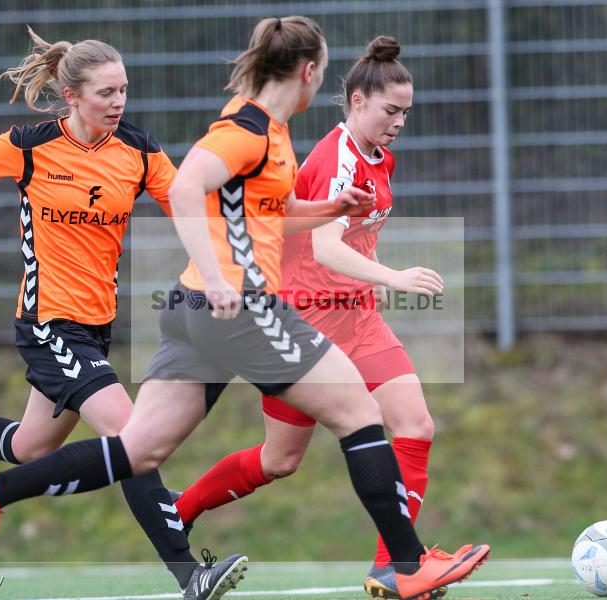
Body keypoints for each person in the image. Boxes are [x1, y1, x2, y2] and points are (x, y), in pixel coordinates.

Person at [0, 16, 489, 600]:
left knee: (139, 449)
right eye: (323, 73)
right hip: (234, 307)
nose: (320, 84)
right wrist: (216, 275)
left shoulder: (273, 133)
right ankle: (407, 568)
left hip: (193, 310)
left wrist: (332, 208)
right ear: (308, 72)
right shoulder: (248, 129)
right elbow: (187, 189)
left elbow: (266, 216)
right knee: (359, 413)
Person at [0, 27, 246, 600]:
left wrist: (250, 241)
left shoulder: (137, 151)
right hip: (47, 322)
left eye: (124, 91)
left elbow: (190, 207)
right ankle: (190, 574)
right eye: (106, 93)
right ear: (72, 98)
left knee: (31, 446)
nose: (118, 103)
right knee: (132, 435)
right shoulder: (30, 146)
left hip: (95, 325)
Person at [168, 35, 471, 599]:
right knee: (279, 460)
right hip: (307, 322)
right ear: (357, 101)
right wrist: (395, 278)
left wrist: (370, 280)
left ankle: (394, 568)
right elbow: (328, 248)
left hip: (357, 319)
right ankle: (176, 513)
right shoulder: (337, 157)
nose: (399, 121)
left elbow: (358, 234)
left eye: (406, 112)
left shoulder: (380, 155)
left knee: (416, 426)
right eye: (390, 110)